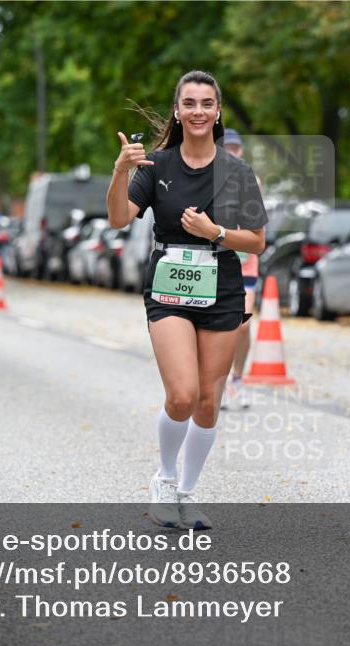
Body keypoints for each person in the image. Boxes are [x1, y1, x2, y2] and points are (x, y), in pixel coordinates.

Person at [107, 70, 268, 530]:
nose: (198, 111)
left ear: (218, 112)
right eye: (190, 103)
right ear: (177, 111)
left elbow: (257, 241)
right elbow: (118, 218)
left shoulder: (237, 173)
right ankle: (164, 478)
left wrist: (215, 232)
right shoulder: (156, 165)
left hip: (222, 289)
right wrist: (120, 171)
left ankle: (186, 493)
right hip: (168, 290)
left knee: (208, 403)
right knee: (182, 394)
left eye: (207, 103)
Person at [220, 128, 258, 409]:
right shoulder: (208, 178)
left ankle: (238, 378)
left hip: (246, 263)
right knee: (220, 325)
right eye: (228, 148)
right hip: (217, 261)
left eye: (236, 148)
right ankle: (218, 381)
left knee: (243, 325)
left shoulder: (250, 179)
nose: (232, 152)